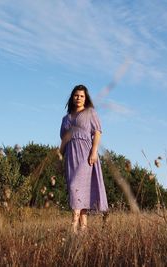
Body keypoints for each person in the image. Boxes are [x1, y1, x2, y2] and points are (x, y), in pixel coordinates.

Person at [59, 84, 108, 233]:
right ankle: (83, 230)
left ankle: (73, 225)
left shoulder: (90, 113)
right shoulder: (66, 118)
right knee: (80, 193)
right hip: (70, 156)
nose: (78, 98)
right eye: (76, 95)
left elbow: (97, 132)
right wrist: (60, 155)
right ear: (72, 97)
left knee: (76, 188)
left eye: (81, 96)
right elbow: (63, 139)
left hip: (85, 155)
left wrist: (94, 151)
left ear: (85, 99)